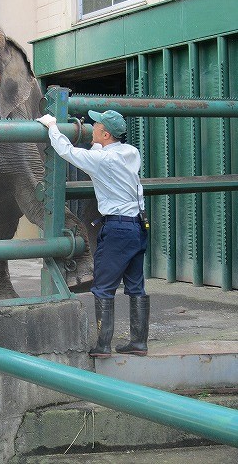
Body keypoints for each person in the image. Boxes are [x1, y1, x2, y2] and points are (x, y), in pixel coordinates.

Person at [37, 110, 149, 358]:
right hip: (138, 227)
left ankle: (103, 345)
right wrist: (96, 145)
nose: (91, 127)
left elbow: (67, 152)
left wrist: (53, 127)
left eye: (96, 125)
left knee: (103, 287)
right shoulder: (131, 153)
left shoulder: (103, 161)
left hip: (117, 229)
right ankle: (139, 342)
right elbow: (102, 156)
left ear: (106, 134)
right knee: (135, 286)